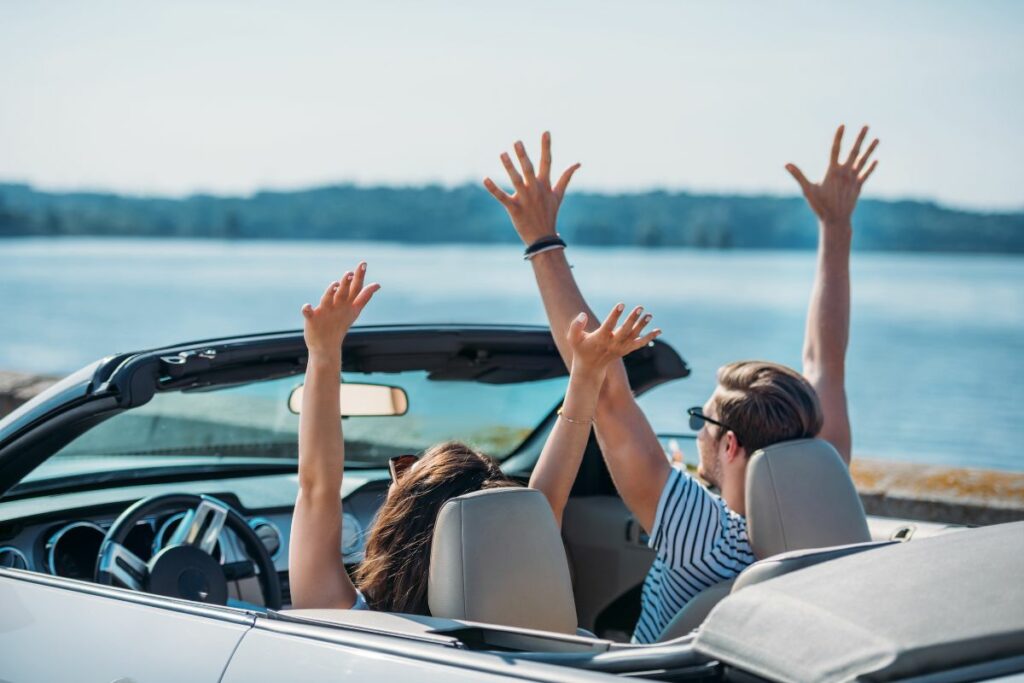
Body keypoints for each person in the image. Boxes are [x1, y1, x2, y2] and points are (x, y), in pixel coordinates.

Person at [484, 125, 878, 643]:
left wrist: (541, 240)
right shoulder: (824, 508)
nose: (697, 433)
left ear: (730, 444)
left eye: (703, 420)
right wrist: (836, 225)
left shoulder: (710, 537)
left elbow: (605, 394)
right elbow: (826, 358)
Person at [288, 260, 660, 614]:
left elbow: (317, 487)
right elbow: (546, 502)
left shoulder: (347, 619)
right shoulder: (518, 633)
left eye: (403, 474)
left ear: (401, 521)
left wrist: (322, 353)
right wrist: (586, 376)